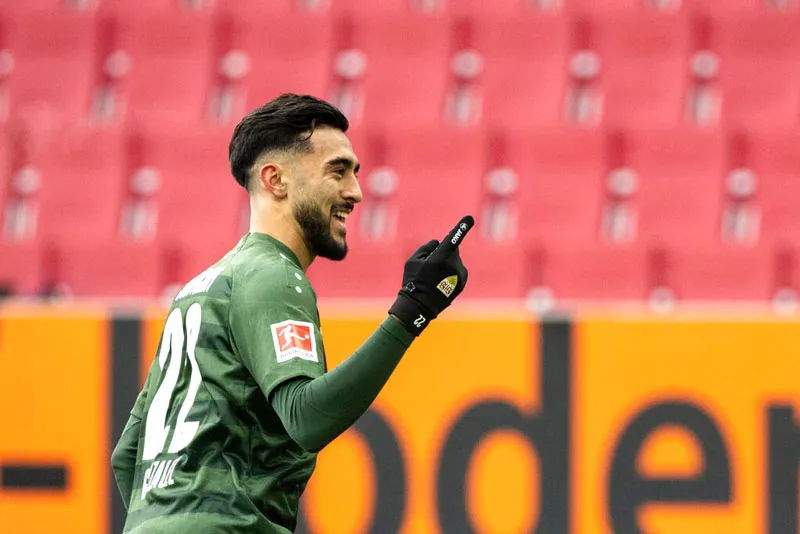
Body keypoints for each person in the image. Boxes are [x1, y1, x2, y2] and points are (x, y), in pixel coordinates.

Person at [110, 93, 473, 533]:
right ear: (275, 180)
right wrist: (412, 310)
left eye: (355, 173)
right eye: (337, 171)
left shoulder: (199, 289)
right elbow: (306, 417)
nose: (356, 192)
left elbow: (128, 453)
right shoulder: (274, 277)